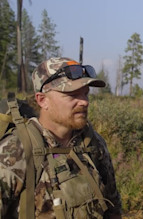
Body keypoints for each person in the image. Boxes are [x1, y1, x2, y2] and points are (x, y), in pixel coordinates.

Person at [0, 57, 122, 218]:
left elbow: (112, 206)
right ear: (43, 101)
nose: (84, 102)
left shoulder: (92, 143)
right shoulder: (16, 150)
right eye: (72, 95)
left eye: (85, 94)